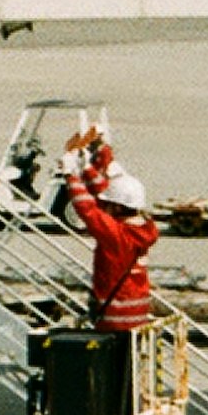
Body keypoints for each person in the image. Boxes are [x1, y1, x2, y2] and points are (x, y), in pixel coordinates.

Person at [60, 128, 161, 333]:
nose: (105, 206)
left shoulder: (117, 236)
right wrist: (87, 167)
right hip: (137, 315)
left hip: (115, 319)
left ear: (117, 208)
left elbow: (89, 210)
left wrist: (70, 175)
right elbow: (106, 193)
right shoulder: (141, 228)